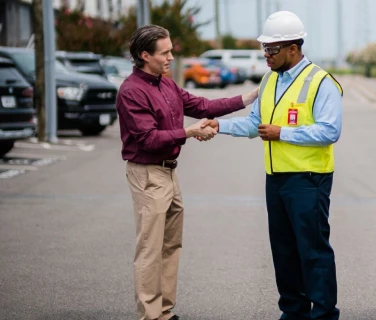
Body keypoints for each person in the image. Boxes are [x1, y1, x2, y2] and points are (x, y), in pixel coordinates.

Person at [205, 11, 343, 320]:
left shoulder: (321, 82)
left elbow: (330, 130)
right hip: (277, 179)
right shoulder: (269, 80)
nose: (266, 55)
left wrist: (283, 133)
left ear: (293, 48)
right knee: (283, 250)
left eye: (272, 49)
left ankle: (323, 314)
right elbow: (255, 124)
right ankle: (293, 311)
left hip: (309, 178)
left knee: (313, 250)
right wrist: (219, 127)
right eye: (264, 49)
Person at [116, 24, 258, 320]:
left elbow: (202, 104)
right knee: (150, 249)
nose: (171, 57)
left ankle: (165, 312)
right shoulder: (132, 92)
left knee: (170, 244)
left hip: (169, 172)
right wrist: (189, 132)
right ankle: (150, 316)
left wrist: (251, 97)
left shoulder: (166, 84)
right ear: (145, 55)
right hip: (147, 175)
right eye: (164, 52)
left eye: (171, 51)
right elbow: (148, 138)